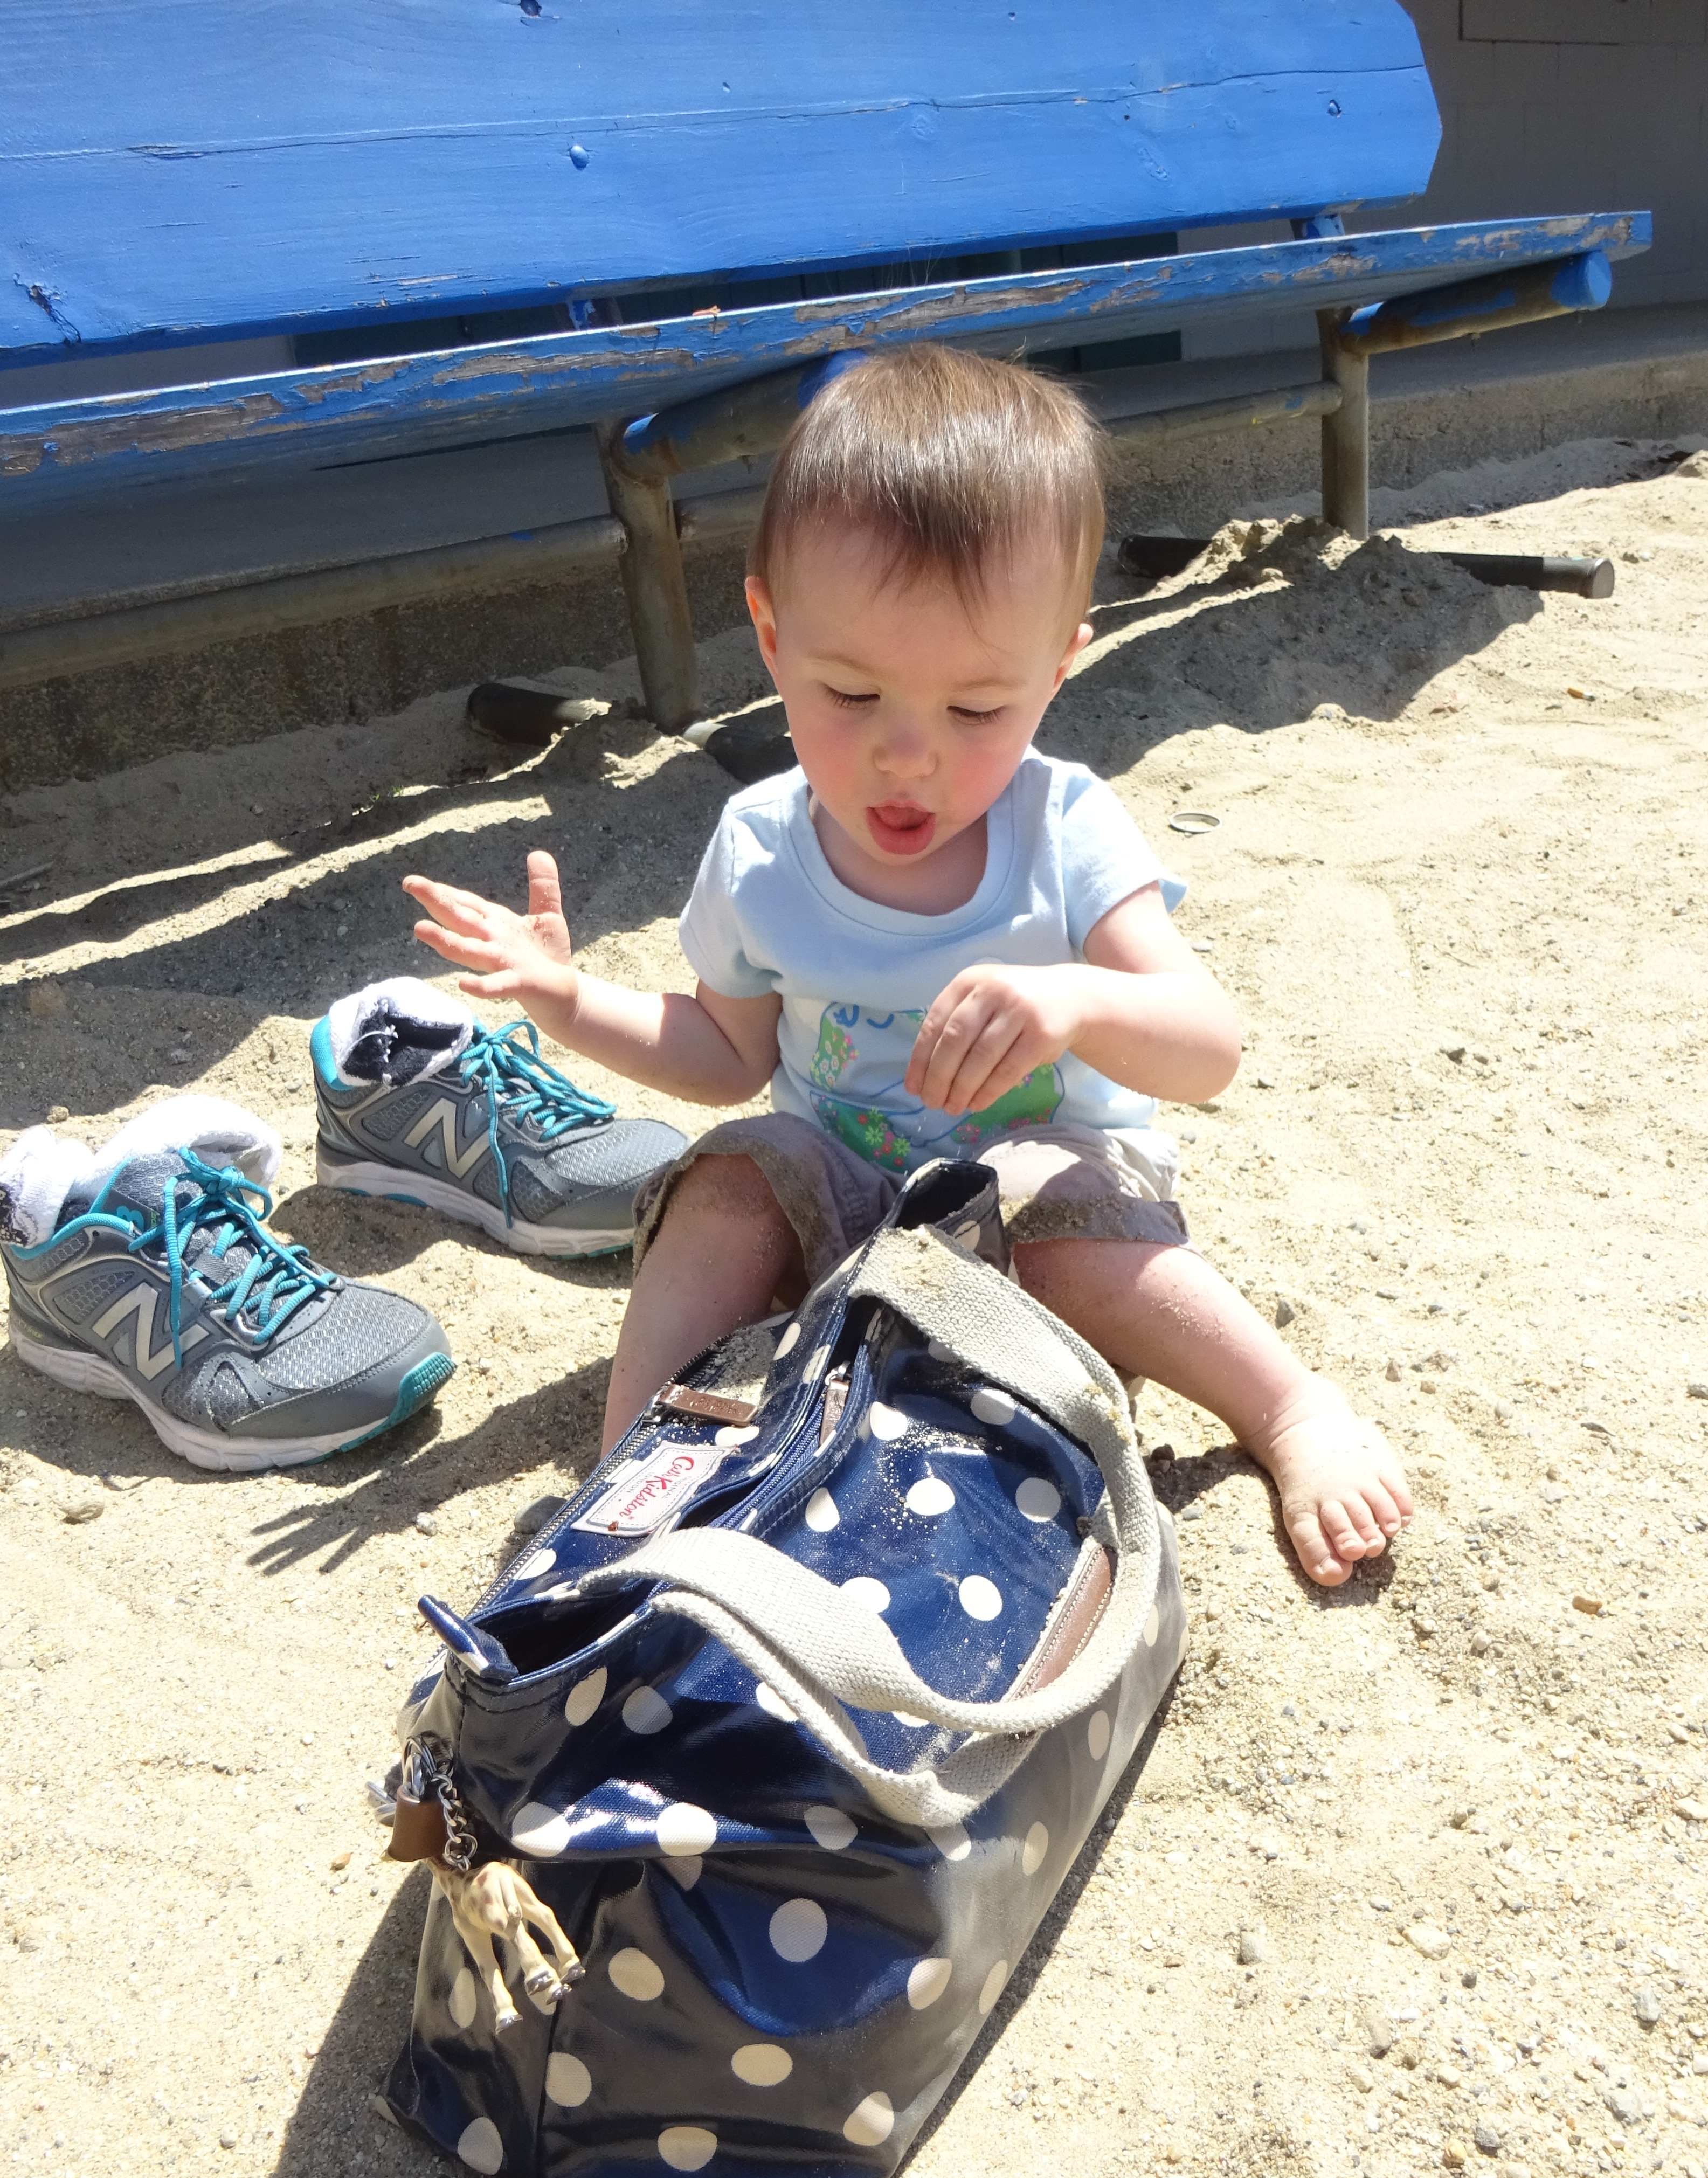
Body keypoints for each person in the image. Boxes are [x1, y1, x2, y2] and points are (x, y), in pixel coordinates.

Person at [404, 347, 1409, 1586]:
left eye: (976, 709)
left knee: (1042, 1197)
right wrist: (567, 1000)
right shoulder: (761, 845)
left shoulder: (1063, 831)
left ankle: (1285, 1405)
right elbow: (724, 1055)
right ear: (771, 635)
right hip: (848, 1219)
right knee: (730, 1174)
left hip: (1044, 1217)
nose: (907, 755)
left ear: (1057, 667)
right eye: (851, 691)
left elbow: (1208, 1048)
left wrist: (1074, 999)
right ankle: (627, 1478)